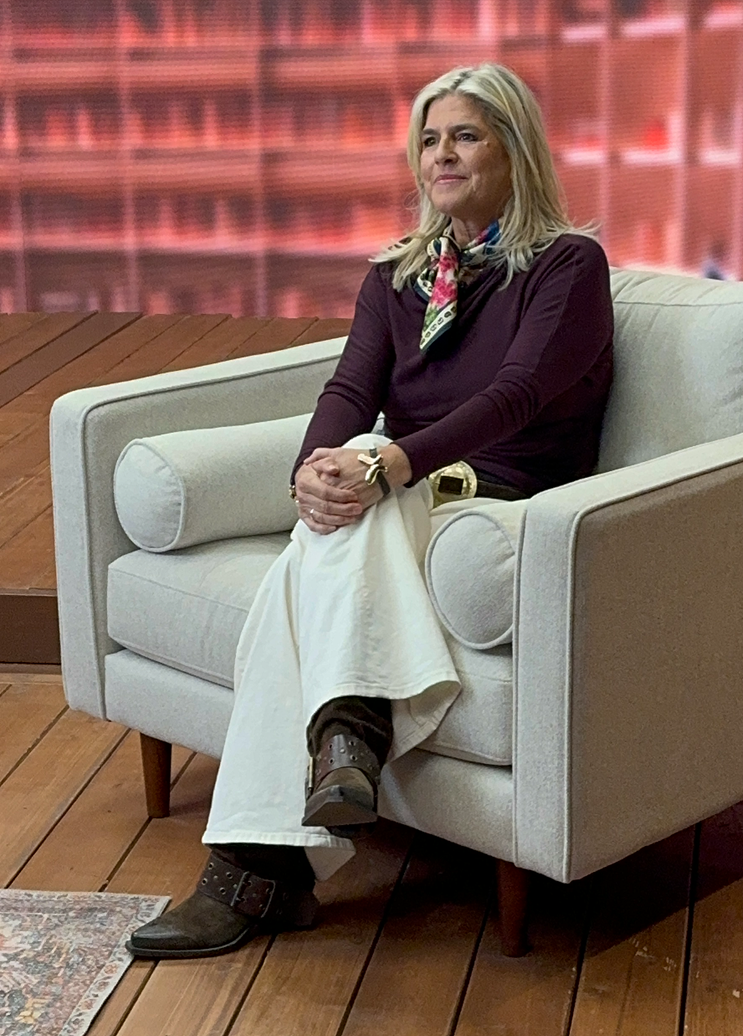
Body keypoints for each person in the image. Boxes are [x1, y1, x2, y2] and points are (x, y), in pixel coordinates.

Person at [127, 62, 614, 960]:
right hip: (408, 489)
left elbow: (516, 395)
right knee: (332, 515)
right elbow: (351, 386)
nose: (443, 153)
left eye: (465, 134)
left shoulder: (566, 266)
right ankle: (339, 750)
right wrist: (312, 468)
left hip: (506, 505)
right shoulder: (398, 273)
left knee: (347, 518)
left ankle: (262, 861)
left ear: (516, 147)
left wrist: (389, 461)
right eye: (430, 139)